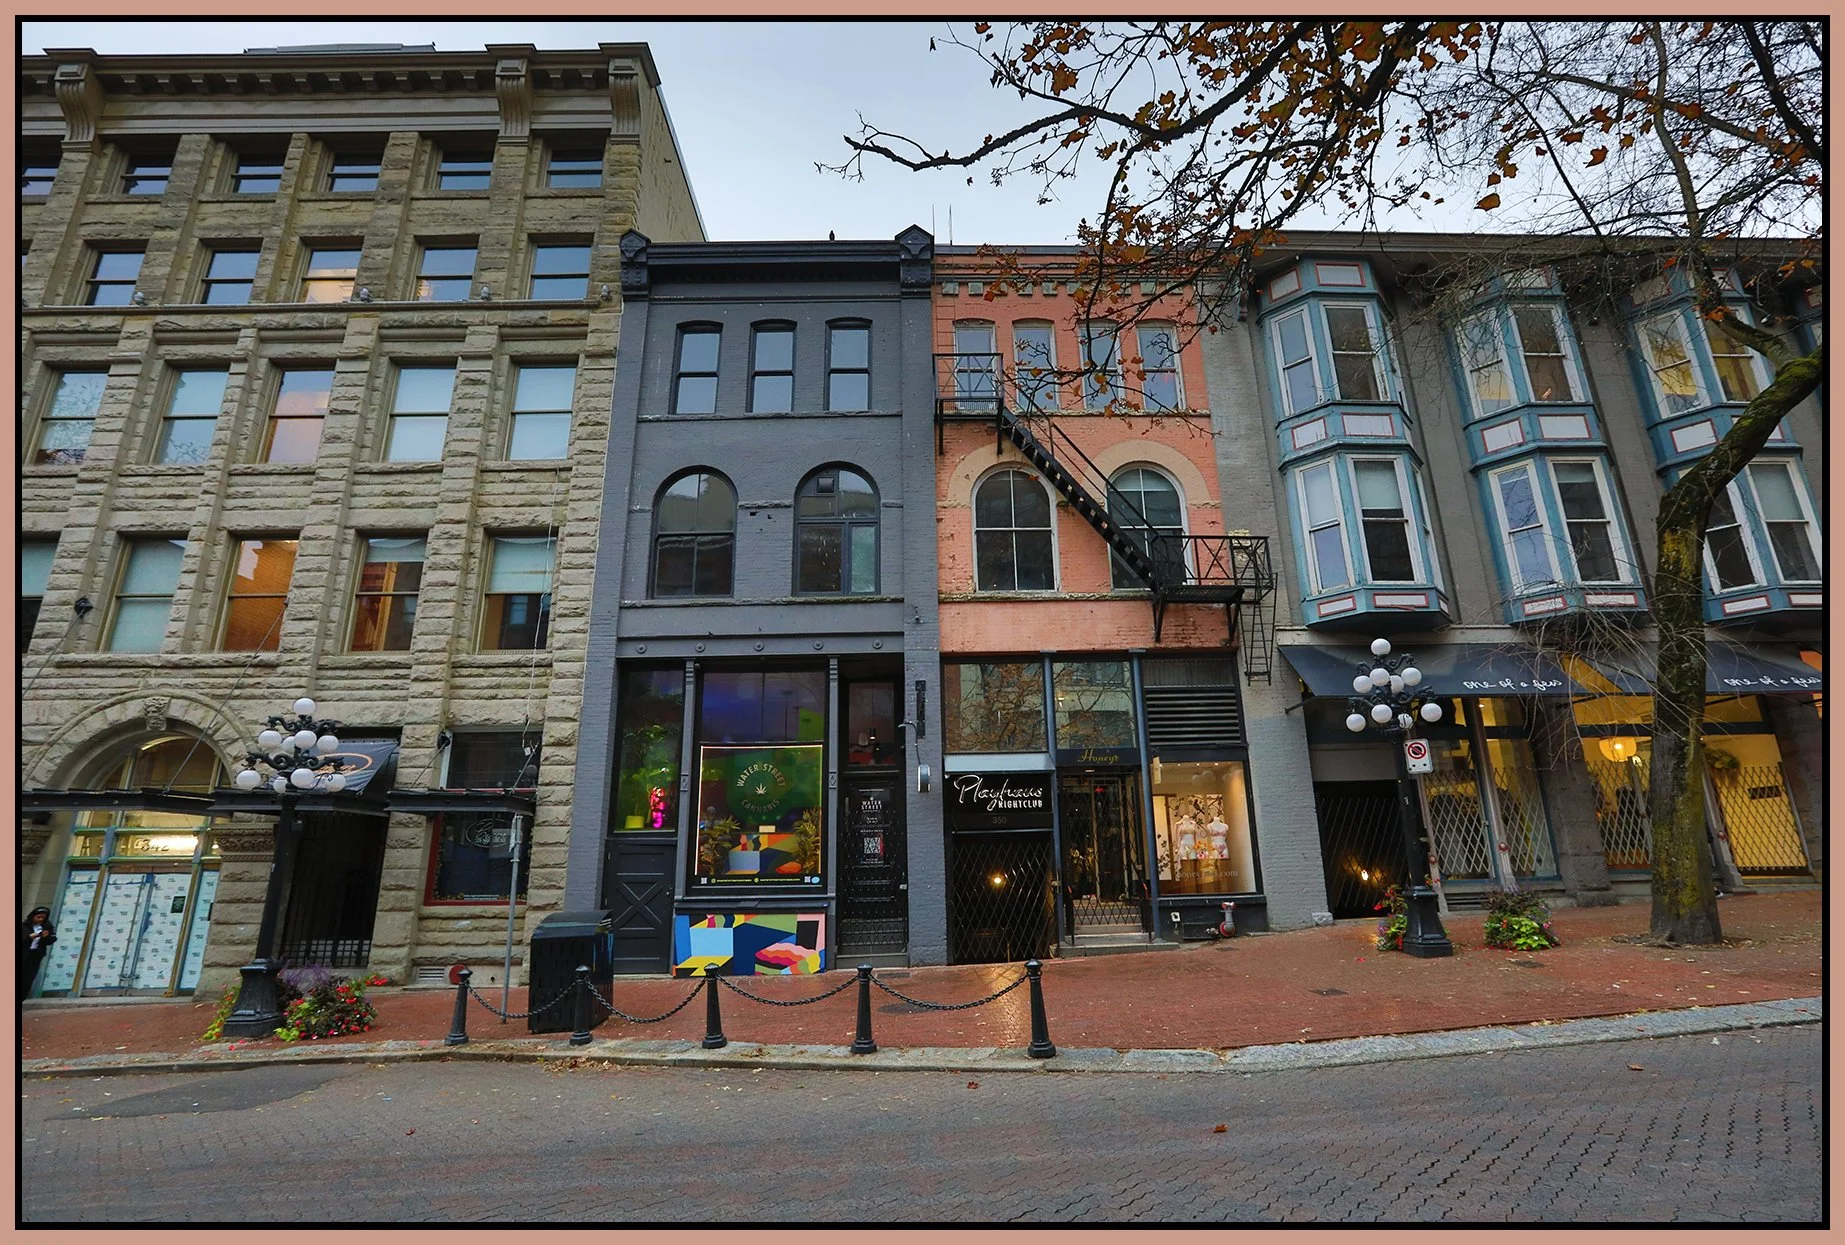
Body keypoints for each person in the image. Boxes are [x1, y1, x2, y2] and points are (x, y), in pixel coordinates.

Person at [19, 906, 57, 1001]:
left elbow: (51, 940)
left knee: (27, 979)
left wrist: (46, 937)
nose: (40, 919)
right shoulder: (24, 926)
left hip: (34, 956)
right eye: (38, 917)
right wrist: (29, 938)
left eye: (42, 917)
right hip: (23, 954)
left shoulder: (47, 927)